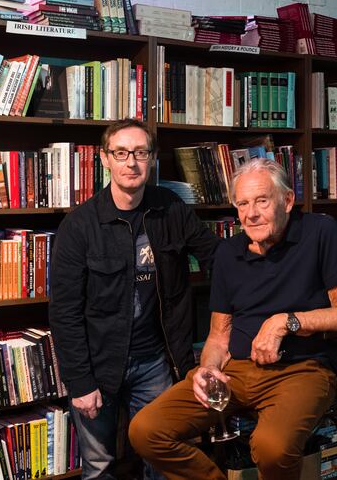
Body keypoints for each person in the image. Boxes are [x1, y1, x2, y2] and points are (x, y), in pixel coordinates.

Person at [129, 158, 337, 480]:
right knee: (146, 430)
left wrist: (284, 321)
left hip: (301, 371)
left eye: (262, 201)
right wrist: (209, 369)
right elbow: (218, 336)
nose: (251, 213)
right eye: (242, 204)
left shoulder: (319, 231)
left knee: (272, 448)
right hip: (237, 372)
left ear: (288, 200)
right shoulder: (228, 253)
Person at [49, 119, 220, 480]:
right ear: (105, 159)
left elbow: (217, 258)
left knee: (159, 458)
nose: (132, 162)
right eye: (122, 153)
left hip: (156, 361)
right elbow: (64, 312)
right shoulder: (79, 226)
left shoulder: (170, 208)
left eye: (141, 153)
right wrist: (80, 382)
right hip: (98, 364)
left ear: (152, 158)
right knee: (99, 467)